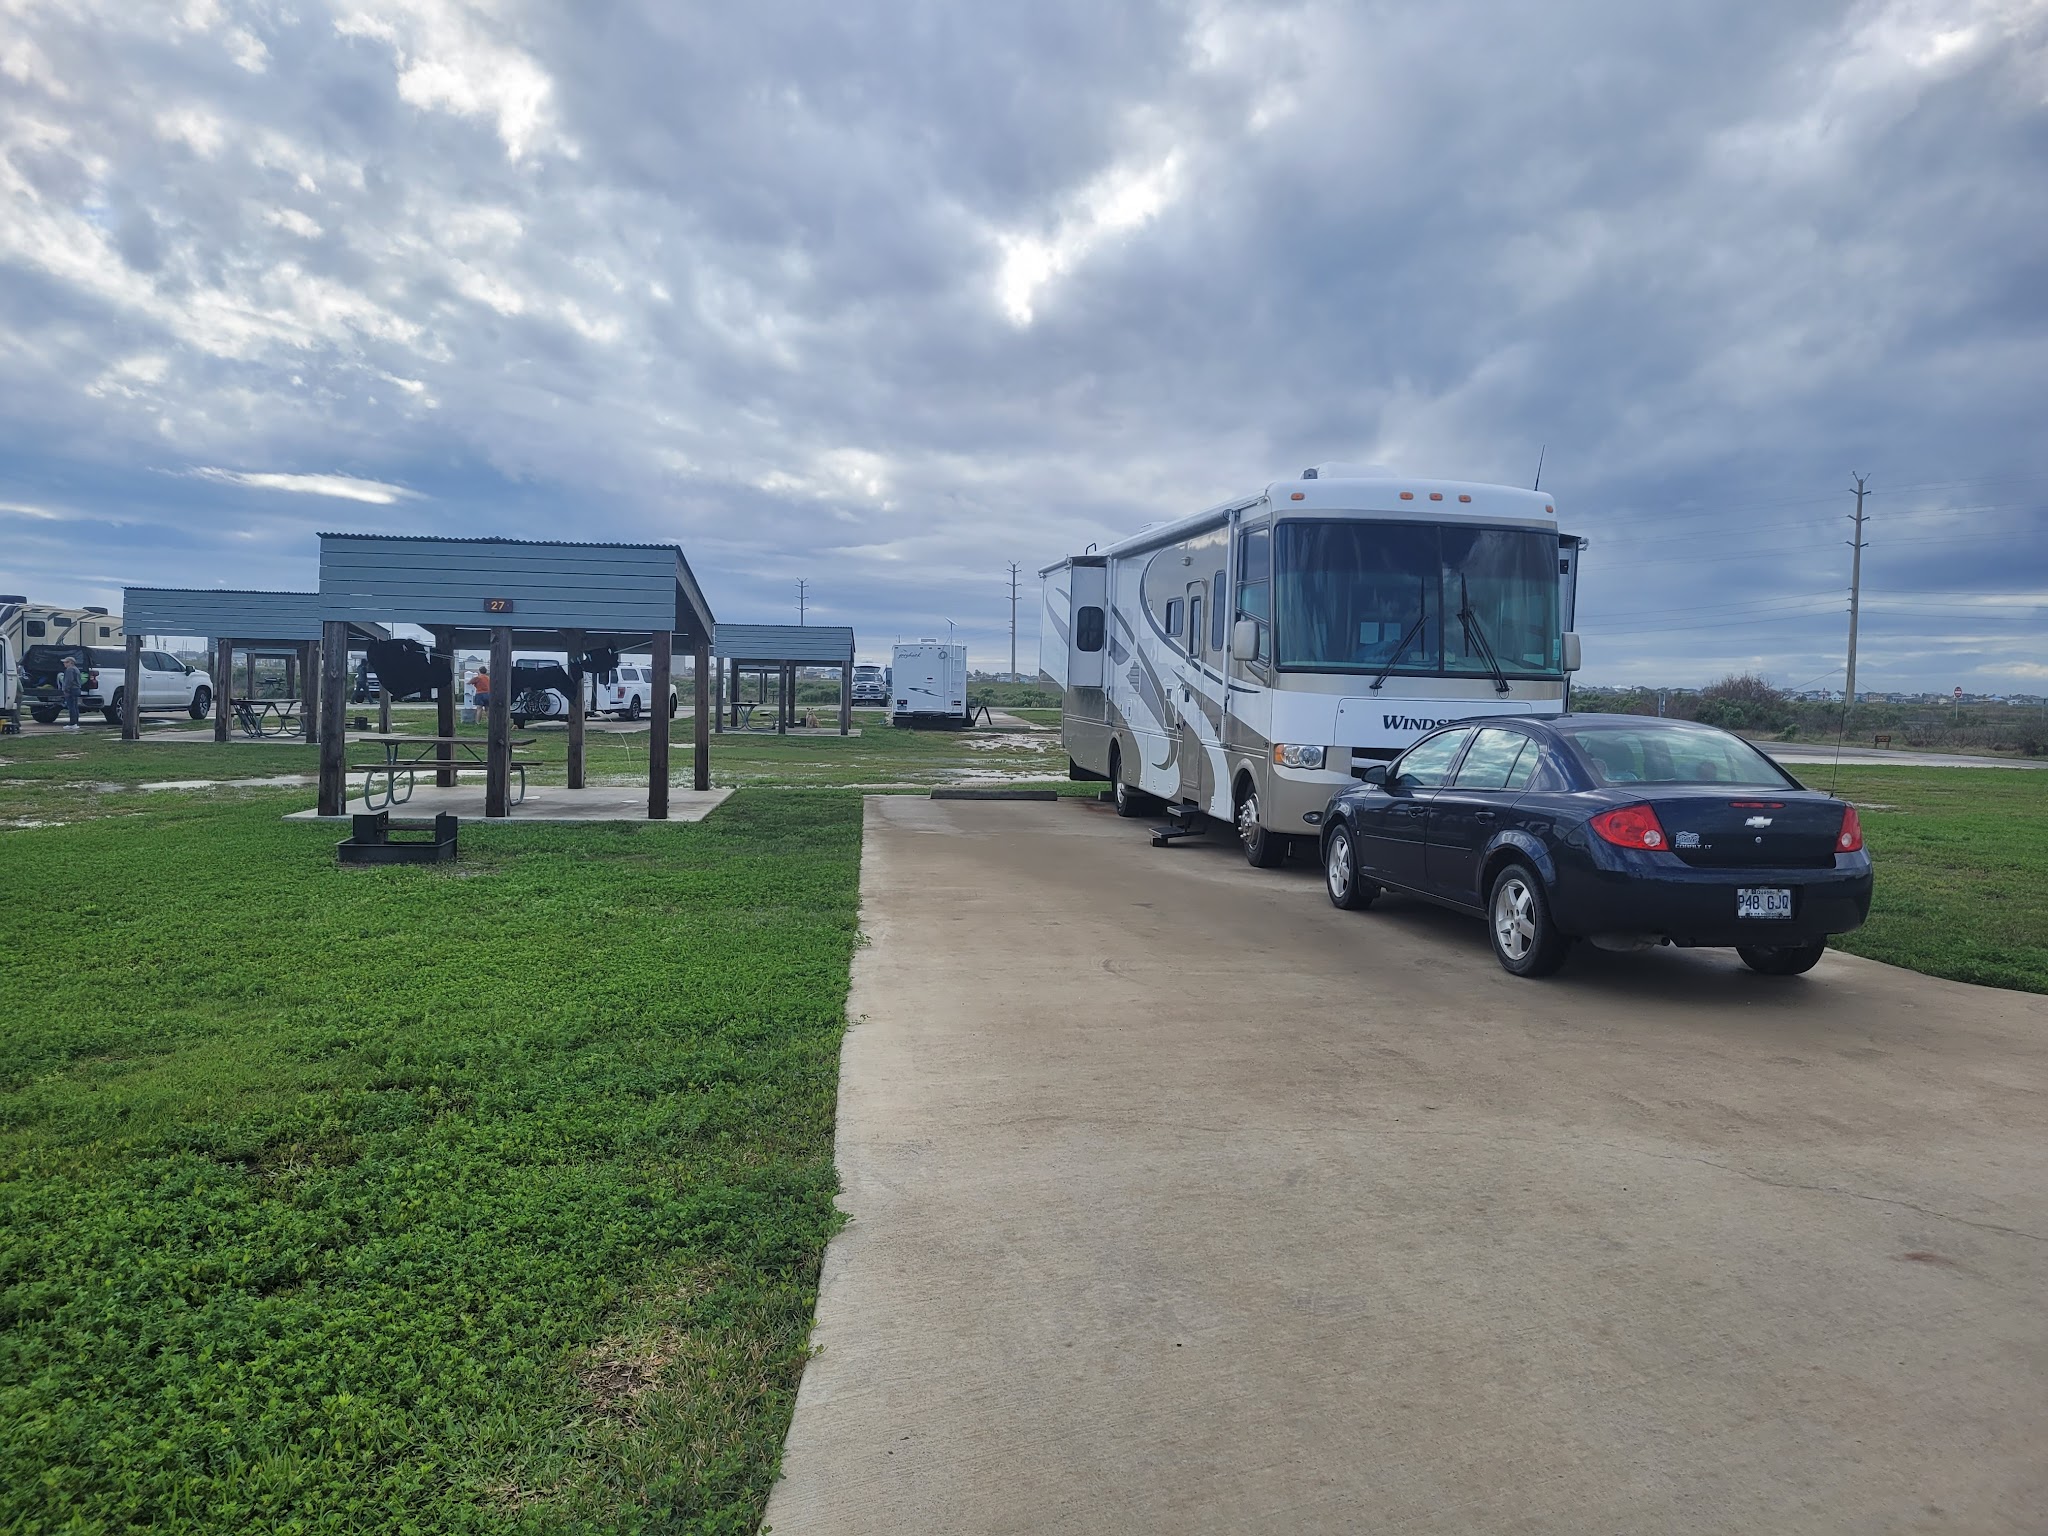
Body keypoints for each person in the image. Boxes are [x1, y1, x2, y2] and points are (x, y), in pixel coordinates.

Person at [56, 653, 83, 730]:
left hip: (71, 690)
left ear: (71, 662)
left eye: (66, 662)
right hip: (76, 689)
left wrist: (66, 690)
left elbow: (69, 681)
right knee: (75, 707)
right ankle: (75, 723)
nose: (64, 663)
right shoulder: (76, 669)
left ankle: (73, 723)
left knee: (71, 707)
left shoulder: (70, 669)